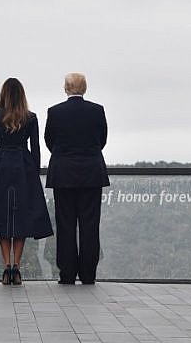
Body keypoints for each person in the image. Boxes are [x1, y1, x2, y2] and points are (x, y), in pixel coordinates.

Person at [0, 77, 54, 285]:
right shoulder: (31, 118)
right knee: (20, 219)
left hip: (1, 166)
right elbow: (36, 148)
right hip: (24, 167)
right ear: (22, 95)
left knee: (3, 218)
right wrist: (33, 170)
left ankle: (6, 268)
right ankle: (17, 268)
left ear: (3, 94)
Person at [44, 73, 109, 285]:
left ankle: (67, 273)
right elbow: (102, 140)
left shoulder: (55, 112)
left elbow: (49, 140)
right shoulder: (97, 111)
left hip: (63, 173)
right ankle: (88, 274)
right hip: (91, 173)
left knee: (65, 225)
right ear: (85, 88)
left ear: (65, 88)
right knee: (90, 225)